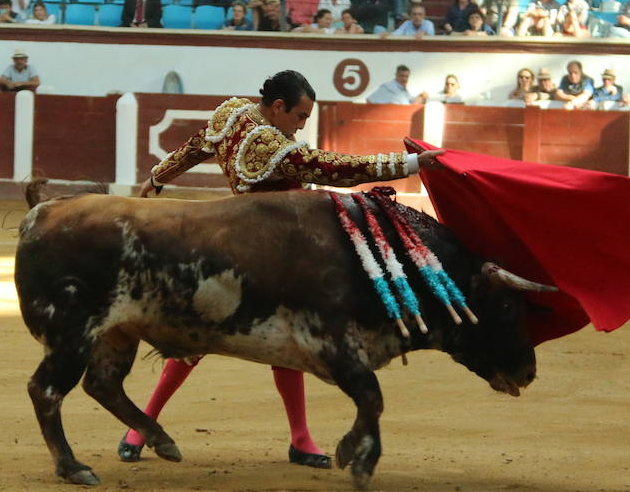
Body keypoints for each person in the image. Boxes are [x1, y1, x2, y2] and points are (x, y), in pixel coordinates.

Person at [119, 70, 447, 467]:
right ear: (278, 107)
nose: (302, 125)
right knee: (252, 336)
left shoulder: (234, 112)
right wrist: (409, 163)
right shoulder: (271, 145)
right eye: (300, 116)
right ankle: (148, 423)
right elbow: (331, 167)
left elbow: (195, 147)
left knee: (203, 336)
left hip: (237, 236)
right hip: (277, 248)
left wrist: (157, 177)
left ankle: (291, 437)